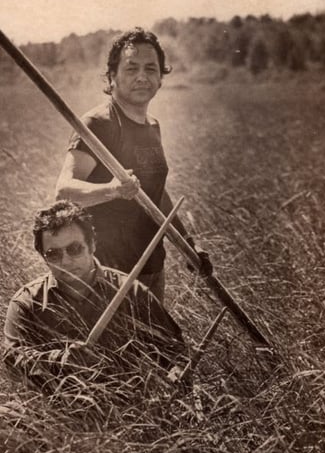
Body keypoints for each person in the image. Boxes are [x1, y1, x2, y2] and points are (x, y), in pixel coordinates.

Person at [55, 27, 212, 304]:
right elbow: (64, 191)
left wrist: (188, 242)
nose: (142, 77)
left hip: (152, 268)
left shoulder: (152, 126)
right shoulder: (97, 125)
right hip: (108, 274)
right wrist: (112, 190)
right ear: (112, 76)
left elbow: (156, 193)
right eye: (131, 68)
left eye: (151, 69)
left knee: (154, 347)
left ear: (161, 78)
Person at [3, 200, 186, 389]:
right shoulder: (26, 302)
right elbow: (13, 361)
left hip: (127, 403)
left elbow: (175, 349)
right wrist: (61, 360)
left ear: (92, 245)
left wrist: (177, 373)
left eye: (74, 249)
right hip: (54, 408)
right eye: (53, 254)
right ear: (43, 256)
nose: (65, 261)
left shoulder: (130, 290)